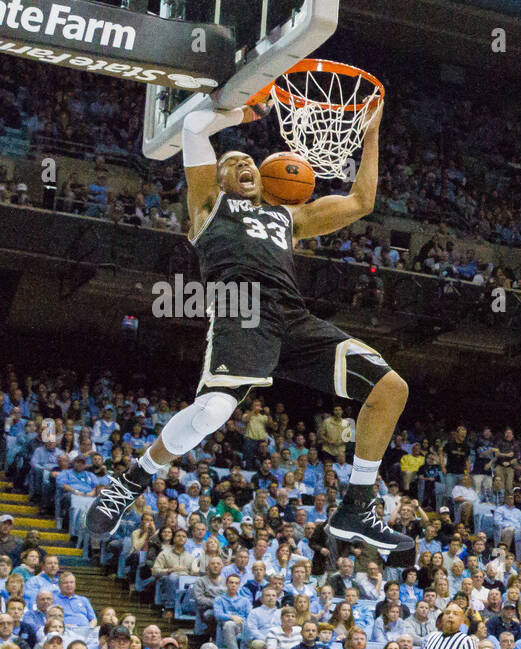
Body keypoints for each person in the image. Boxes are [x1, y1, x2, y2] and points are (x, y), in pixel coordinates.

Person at [85, 96, 414, 558]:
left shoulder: (287, 217)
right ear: (217, 179)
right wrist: (250, 110)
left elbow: (362, 201)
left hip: (293, 318)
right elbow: (197, 126)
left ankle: (357, 506)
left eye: (249, 162)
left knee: (391, 388)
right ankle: (132, 481)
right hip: (242, 312)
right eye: (233, 162)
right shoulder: (207, 208)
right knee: (214, 412)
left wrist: (371, 133)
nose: (244, 164)